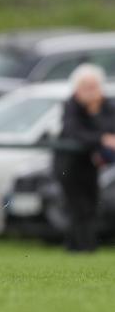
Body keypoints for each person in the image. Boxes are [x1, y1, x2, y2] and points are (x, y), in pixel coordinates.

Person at [54, 63, 115, 252]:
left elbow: (110, 128)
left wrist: (95, 112)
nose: (91, 92)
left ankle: (83, 248)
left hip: (90, 164)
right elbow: (74, 132)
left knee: (90, 205)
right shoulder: (70, 105)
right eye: (86, 87)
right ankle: (81, 248)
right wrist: (101, 138)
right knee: (77, 207)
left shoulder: (105, 105)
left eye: (94, 87)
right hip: (68, 164)